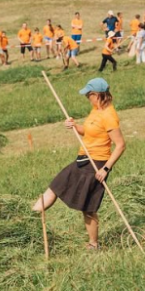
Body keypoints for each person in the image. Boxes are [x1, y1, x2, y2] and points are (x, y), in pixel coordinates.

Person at [32, 77, 126, 250]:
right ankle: (29, 218)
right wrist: (75, 126)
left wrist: (106, 168)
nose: (86, 98)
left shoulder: (109, 115)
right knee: (56, 185)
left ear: (96, 95)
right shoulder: (95, 111)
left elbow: (120, 145)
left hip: (96, 163)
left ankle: (93, 244)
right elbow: (89, 133)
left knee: (88, 208)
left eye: (88, 95)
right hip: (83, 159)